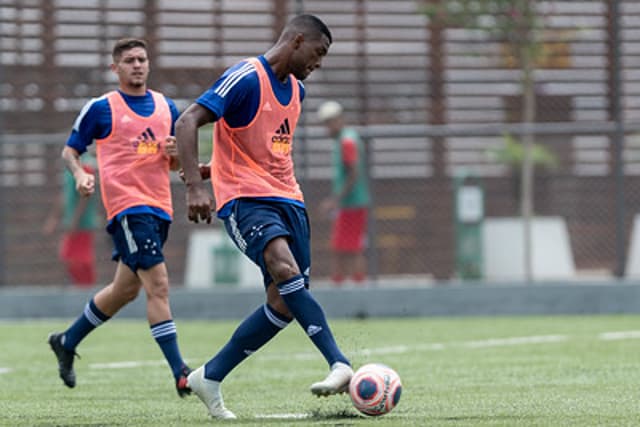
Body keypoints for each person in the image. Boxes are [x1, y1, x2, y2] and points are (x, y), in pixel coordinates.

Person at [175, 14, 352, 419]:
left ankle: (210, 376)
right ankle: (338, 362)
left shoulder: (298, 93)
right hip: (245, 201)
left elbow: (258, 150)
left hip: (290, 199)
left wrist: (208, 168)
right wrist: (196, 187)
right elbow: (188, 121)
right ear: (296, 40)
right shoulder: (246, 77)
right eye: (318, 52)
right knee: (285, 270)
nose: (319, 62)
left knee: (285, 303)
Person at [47, 38, 192, 398]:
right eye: (129, 61)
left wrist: (175, 155)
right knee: (157, 285)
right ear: (116, 68)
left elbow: (172, 163)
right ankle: (181, 373)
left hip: (160, 209)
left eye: (142, 59)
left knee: (125, 291)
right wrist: (80, 174)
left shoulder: (166, 107)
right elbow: (70, 152)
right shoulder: (101, 108)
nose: (138, 65)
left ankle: (67, 340)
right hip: (128, 209)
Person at [317, 100, 371, 286]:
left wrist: (335, 200)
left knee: (349, 248)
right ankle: (346, 284)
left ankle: (352, 286)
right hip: (350, 204)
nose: (327, 128)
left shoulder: (347, 141)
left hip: (352, 204)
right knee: (343, 246)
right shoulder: (345, 139)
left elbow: (354, 171)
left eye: (329, 122)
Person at [43, 153, 100, 287]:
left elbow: (85, 196)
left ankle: (86, 287)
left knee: (80, 258)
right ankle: (80, 286)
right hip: (71, 222)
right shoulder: (70, 167)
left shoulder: (86, 165)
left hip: (83, 223)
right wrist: (54, 219)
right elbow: (65, 194)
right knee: (69, 256)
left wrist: (75, 221)